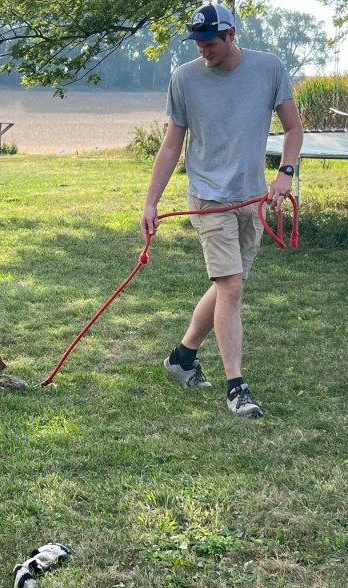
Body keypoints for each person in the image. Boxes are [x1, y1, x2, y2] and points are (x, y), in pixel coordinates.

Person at [140, 3, 303, 417]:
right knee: (230, 286)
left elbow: (293, 127)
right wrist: (151, 201)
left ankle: (182, 357)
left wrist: (285, 173)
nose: (203, 51)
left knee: (227, 285)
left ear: (231, 35)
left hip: (253, 199)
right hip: (209, 199)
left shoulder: (269, 68)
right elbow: (173, 143)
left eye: (209, 43)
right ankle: (236, 386)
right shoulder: (185, 78)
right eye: (197, 43)